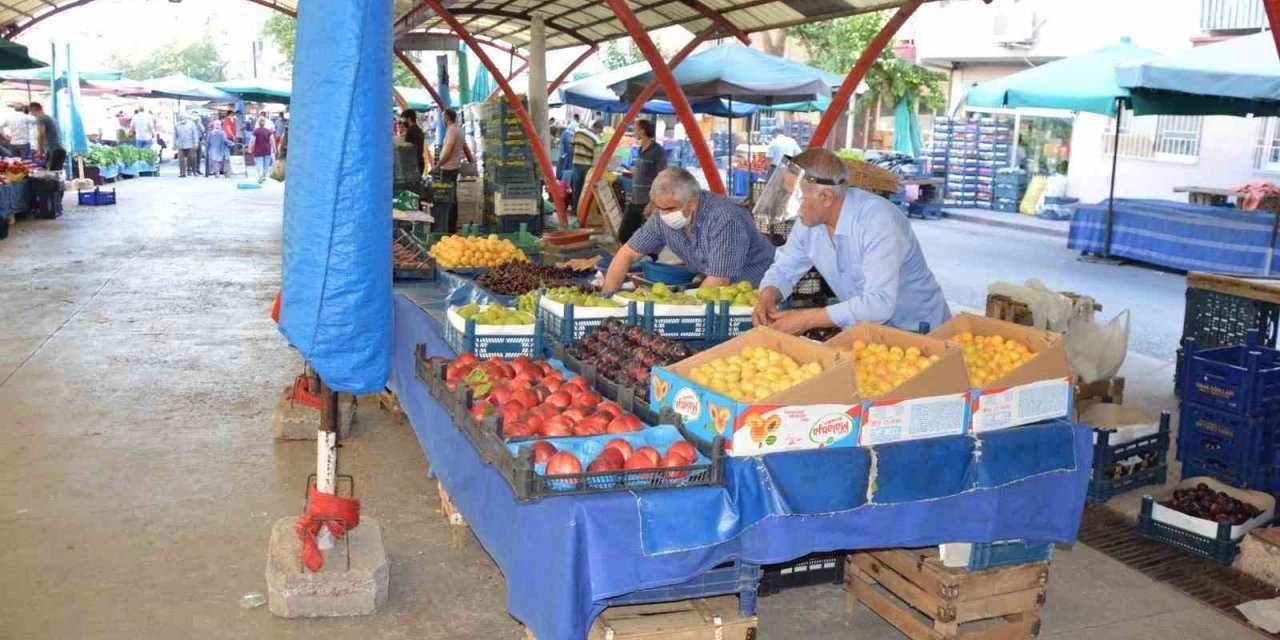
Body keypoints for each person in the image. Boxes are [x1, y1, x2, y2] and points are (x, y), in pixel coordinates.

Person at [752, 149, 950, 335]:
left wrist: (806, 319)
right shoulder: (808, 224)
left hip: (923, 334)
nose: (794, 207)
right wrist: (767, 297)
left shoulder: (878, 222)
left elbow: (878, 304)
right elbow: (784, 270)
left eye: (797, 198)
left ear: (827, 198)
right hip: (871, 337)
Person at [602, 168, 776, 294]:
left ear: (691, 203)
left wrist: (682, 307)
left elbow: (719, 280)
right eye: (659, 207)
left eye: (669, 209)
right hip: (721, 291)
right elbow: (626, 255)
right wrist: (606, 298)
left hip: (759, 291)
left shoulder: (725, 219)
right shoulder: (661, 218)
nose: (663, 214)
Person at [619, 119, 666, 244]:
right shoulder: (640, 150)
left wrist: (653, 203)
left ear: (642, 131)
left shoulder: (658, 151)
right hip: (635, 200)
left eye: (635, 129)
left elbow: (662, 177)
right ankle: (635, 257)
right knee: (623, 235)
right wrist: (631, 171)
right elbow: (643, 171)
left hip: (647, 202)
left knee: (651, 241)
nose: (633, 132)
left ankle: (648, 260)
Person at [437, 108, 464, 231]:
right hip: (454, 167)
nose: (443, 120)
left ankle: (447, 226)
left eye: (444, 117)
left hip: (449, 168)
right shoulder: (458, 129)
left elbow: (448, 150)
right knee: (452, 197)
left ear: (447, 118)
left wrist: (438, 165)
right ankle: (451, 225)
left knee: (447, 198)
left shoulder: (452, 131)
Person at [570, 119, 603, 210]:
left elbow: (571, 146)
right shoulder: (596, 139)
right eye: (600, 132)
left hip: (576, 163)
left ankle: (574, 208)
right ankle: (581, 210)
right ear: (598, 129)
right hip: (587, 166)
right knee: (584, 189)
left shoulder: (578, 132)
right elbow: (597, 157)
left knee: (576, 187)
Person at [29, 102, 65, 171]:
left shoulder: (41, 118)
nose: (32, 115)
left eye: (31, 113)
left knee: (50, 176)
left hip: (55, 150)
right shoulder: (50, 118)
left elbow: (41, 135)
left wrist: (40, 150)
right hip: (58, 150)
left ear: (32, 111)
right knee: (54, 175)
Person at [400, 108, 426, 178]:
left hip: (413, 164)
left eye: (404, 119)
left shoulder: (410, 130)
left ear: (409, 119)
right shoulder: (419, 130)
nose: (403, 122)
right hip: (421, 161)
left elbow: (407, 147)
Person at [252, 117, 275, 183]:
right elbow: (272, 141)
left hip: (258, 150)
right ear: (264, 123)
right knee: (266, 165)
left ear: (258, 123)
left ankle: (261, 177)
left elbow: (253, 141)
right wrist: (274, 149)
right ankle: (264, 177)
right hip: (267, 150)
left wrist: (250, 148)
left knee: (259, 164)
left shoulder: (255, 131)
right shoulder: (269, 131)